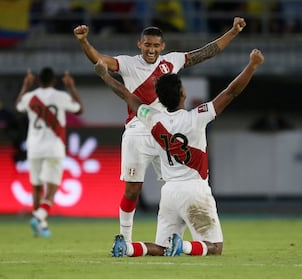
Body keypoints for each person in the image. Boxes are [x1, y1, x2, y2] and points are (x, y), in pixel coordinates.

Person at [74, 16, 246, 244]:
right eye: (147, 44)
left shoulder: (172, 61)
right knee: (132, 190)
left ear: (162, 46)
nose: (151, 49)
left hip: (164, 133)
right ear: (140, 44)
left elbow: (207, 52)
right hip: (137, 131)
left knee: (175, 185)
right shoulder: (128, 63)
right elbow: (100, 60)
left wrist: (233, 32)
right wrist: (84, 42)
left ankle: (172, 240)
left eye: (156, 45)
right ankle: (124, 239)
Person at [95, 48, 264, 257]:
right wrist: (252, 66)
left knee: (163, 248)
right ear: (183, 93)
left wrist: (104, 75)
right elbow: (231, 92)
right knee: (215, 248)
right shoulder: (197, 117)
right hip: (195, 190)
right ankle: (183, 246)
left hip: (169, 192)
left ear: (159, 97)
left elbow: (127, 95)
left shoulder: (152, 118)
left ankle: (127, 247)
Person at [16, 67, 83, 237]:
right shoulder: (61, 96)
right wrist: (71, 86)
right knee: (52, 187)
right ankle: (39, 217)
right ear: (54, 81)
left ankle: (41, 226)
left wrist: (25, 85)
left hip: (35, 147)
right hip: (54, 147)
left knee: (37, 187)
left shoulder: (30, 97)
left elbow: (18, 107)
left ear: (38, 80)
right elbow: (79, 109)